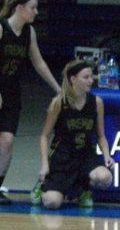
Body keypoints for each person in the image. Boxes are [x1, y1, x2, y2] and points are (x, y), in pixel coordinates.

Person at [0, 0, 61, 204]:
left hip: (11, 92)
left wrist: (58, 89)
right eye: (33, 8)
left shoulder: (29, 32)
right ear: (19, 8)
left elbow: (38, 62)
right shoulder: (1, 28)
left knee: (7, 141)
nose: (36, 12)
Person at [32, 60, 113, 209]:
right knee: (52, 202)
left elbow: (101, 136)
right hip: (62, 157)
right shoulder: (58, 103)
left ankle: (83, 190)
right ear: (73, 79)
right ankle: (42, 188)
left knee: (105, 178)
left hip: (85, 155)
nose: (91, 80)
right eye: (86, 77)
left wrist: (107, 156)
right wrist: (44, 163)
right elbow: (44, 136)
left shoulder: (97, 102)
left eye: (91, 76)